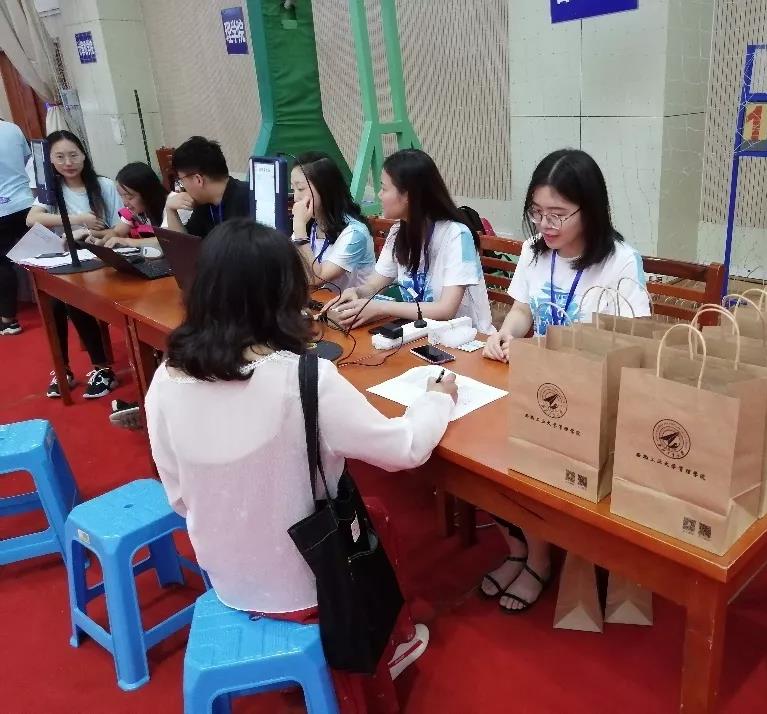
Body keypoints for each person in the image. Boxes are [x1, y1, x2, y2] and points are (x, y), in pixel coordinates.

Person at [145, 218, 458, 692]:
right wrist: (436, 398)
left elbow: (179, 498)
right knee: (374, 519)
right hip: (310, 583)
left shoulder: (166, 378)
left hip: (225, 576)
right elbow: (405, 449)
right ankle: (388, 646)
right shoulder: (305, 378)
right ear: (285, 296)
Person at [480, 148, 651, 613]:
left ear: (589, 209)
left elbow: (632, 347)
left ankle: (538, 559)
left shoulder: (619, 263)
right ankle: (520, 547)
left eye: (557, 214)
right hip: (540, 387)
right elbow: (522, 309)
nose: (545, 225)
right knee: (481, 446)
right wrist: (506, 334)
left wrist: (557, 359)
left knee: (528, 455)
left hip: (593, 400)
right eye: (537, 212)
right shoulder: (535, 251)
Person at [328, 149, 494, 334]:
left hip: (466, 339)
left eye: (384, 188)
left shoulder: (456, 235)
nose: (379, 195)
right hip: (421, 334)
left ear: (408, 196)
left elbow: (446, 310)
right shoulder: (398, 232)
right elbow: (374, 286)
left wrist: (380, 307)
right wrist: (358, 292)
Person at [26, 130, 122, 399]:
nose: (68, 163)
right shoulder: (51, 190)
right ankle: (63, 368)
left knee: (73, 298)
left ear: (83, 155)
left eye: (73, 155)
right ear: (50, 160)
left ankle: (103, 368)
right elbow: (32, 219)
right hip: (68, 258)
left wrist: (92, 234)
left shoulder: (103, 185)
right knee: (54, 301)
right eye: (60, 157)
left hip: (100, 256)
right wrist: (77, 221)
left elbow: (119, 228)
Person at [290, 151, 375, 292]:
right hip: (318, 301)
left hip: (352, 304)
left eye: (301, 189)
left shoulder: (355, 233)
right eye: (293, 189)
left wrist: (299, 229)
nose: (296, 198)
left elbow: (316, 279)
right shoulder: (310, 224)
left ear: (325, 188)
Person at [164, 136, 249, 238]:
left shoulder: (250, 199)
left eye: (181, 180)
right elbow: (184, 243)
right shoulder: (204, 202)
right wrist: (170, 210)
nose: (183, 187)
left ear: (198, 180)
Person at [0, 118, 35, 336]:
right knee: (42, 255)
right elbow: (26, 160)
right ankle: (66, 305)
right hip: (26, 203)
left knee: (2, 264)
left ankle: (8, 320)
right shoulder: (12, 129)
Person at [95, 162, 167, 249]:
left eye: (129, 197)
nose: (125, 202)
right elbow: (117, 232)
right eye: (121, 196)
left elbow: (167, 240)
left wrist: (127, 241)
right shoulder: (133, 211)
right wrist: (103, 241)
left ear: (147, 193)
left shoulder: (169, 207)